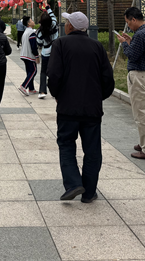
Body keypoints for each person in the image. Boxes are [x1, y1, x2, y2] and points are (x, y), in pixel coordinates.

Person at [48, 11, 115, 202]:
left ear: (70, 26)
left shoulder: (60, 44)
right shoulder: (97, 46)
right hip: (92, 109)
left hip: (67, 107)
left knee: (66, 144)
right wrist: (98, 97)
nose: (65, 24)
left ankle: (73, 183)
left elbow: (54, 74)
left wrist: (57, 95)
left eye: (66, 22)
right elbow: (108, 78)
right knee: (92, 150)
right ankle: (89, 192)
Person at [117, 6, 145, 161]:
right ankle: (144, 142)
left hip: (138, 77)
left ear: (134, 19)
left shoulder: (140, 35)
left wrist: (124, 43)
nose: (128, 25)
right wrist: (130, 41)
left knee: (141, 115)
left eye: (128, 22)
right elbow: (142, 51)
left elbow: (132, 55)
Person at [36, 6, 58, 99]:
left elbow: (39, 43)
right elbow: (53, 16)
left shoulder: (40, 32)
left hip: (45, 53)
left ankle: (42, 91)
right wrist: (48, 8)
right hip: (56, 52)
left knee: (43, 72)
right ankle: (55, 91)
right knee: (55, 71)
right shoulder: (54, 24)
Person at [17, 16, 39, 95]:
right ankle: (24, 86)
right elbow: (33, 46)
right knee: (33, 71)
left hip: (24, 55)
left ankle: (31, 88)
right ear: (29, 23)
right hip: (29, 55)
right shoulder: (31, 33)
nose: (33, 21)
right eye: (31, 20)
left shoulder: (26, 32)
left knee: (29, 71)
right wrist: (37, 56)